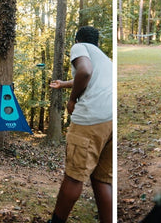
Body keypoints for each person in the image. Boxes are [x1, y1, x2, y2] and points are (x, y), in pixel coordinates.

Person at [47, 26, 112, 223]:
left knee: (74, 176)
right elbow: (89, 77)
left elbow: (84, 71)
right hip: (111, 120)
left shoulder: (79, 47)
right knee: (102, 179)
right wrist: (64, 84)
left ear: (78, 40)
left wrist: (72, 99)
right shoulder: (104, 58)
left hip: (91, 118)